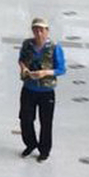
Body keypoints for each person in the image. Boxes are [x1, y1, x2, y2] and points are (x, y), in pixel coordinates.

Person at [17, 17, 66, 162]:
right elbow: (21, 59)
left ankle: (44, 150)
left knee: (46, 122)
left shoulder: (54, 47)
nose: (38, 33)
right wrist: (24, 69)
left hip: (46, 91)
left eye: (41, 30)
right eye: (36, 30)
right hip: (29, 88)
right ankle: (30, 143)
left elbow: (61, 69)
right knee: (25, 118)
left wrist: (45, 73)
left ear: (47, 31)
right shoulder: (27, 44)